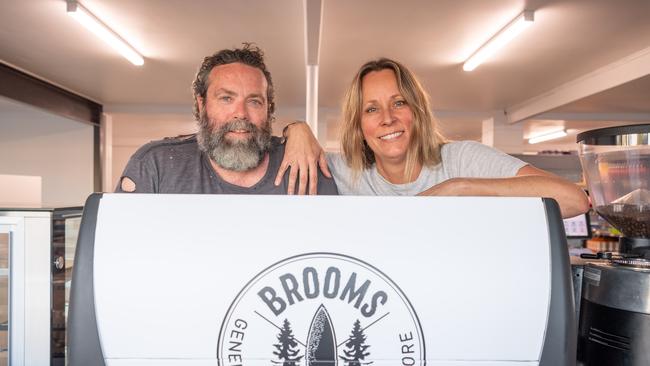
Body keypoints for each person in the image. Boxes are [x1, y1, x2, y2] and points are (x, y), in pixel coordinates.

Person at [279, 57, 588, 218]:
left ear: (417, 111)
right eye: (371, 109)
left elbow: (574, 201)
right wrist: (297, 128)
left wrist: (460, 188)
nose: (388, 118)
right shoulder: (343, 171)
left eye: (399, 102)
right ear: (359, 126)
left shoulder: (462, 160)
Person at [116, 44, 337, 195]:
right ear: (202, 104)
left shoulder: (305, 168)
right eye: (226, 98)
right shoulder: (156, 165)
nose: (240, 113)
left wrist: (298, 127)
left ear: (268, 108)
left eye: (254, 101)